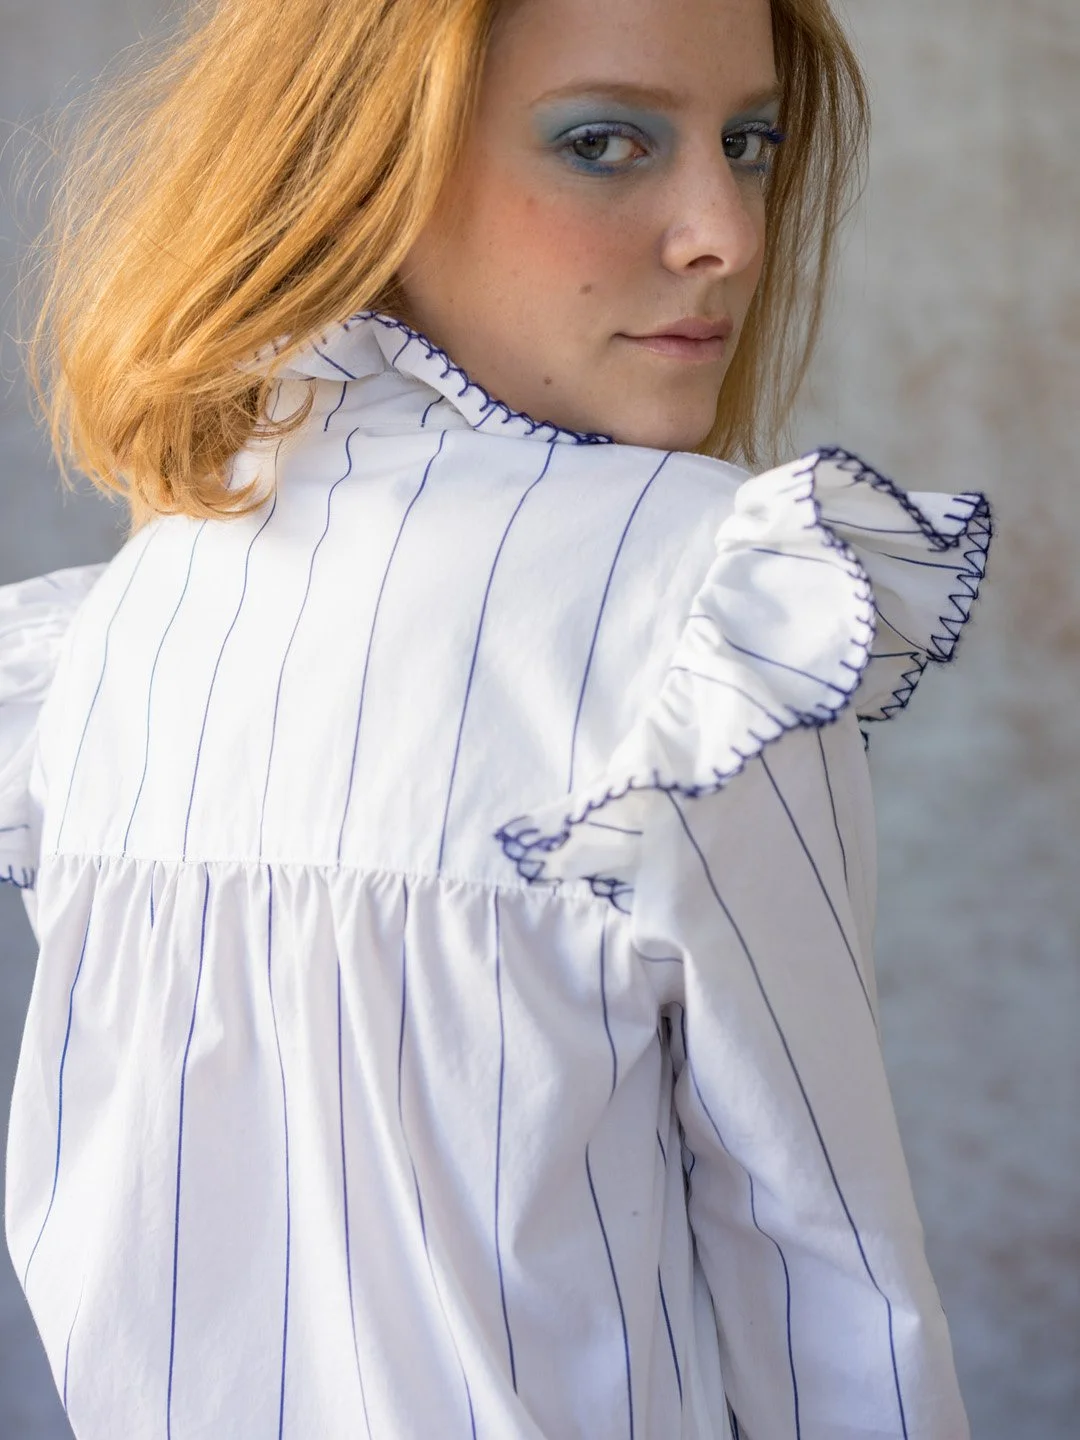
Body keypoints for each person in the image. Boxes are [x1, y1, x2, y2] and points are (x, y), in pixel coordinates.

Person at [0, 0, 990, 1435]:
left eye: (751, 143)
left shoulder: (136, 614)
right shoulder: (709, 604)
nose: (726, 233)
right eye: (603, 143)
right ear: (364, 162)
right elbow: (827, 1290)